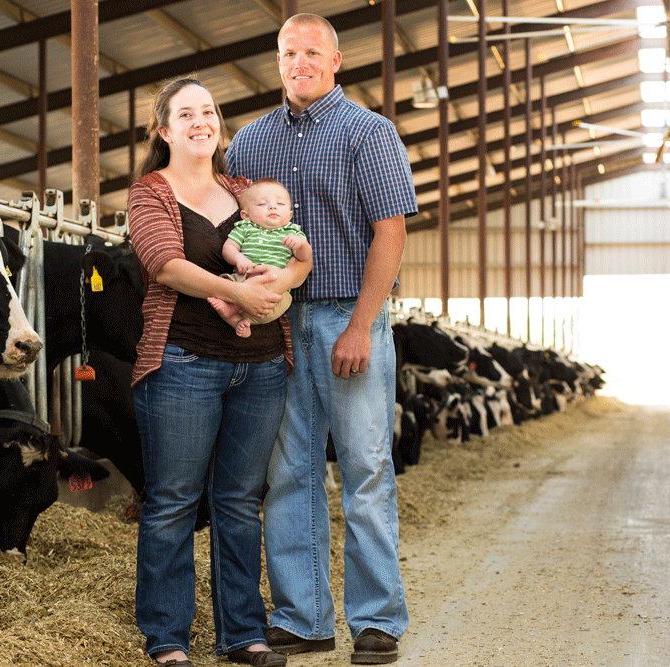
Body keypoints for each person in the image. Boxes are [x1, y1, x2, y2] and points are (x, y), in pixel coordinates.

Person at [224, 13, 417, 665]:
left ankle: (377, 618)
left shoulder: (370, 133)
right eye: (287, 52)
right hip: (276, 320)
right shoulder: (248, 147)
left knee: (364, 465)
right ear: (275, 62)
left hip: (346, 315)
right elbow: (233, 236)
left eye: (311, 51)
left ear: (337, 60)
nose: (298, 62)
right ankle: (303, 617)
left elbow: (389, 231)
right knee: (287, 471)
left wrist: (364, 321)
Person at [128, 77, 311, 667]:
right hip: (182, 362)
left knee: (238, 500)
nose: (201, 121)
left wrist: (277, 285)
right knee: (174, 500)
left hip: (259, 368)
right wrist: (240, 295)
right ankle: (168, 639)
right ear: (165, 130)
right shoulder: (149, 192)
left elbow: (293, 255)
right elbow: (165, 265)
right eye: (186, 114)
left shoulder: (246, 191)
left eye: (208, 111)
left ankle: (244, 635)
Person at [208, 178, 312, 338]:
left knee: (284, 300)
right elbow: (229, 248)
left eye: (280, 204)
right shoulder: (245, 228)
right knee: (222, 287)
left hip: (275, 290)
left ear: (290, 215)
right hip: (242, 280)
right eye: (262, 204)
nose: (272, 206)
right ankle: (237, 321)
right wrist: (238, 258)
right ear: (245, 215)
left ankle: (235, 311)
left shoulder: (293, 233)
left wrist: (302, 245)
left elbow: (305, 259)